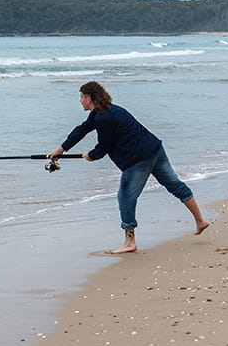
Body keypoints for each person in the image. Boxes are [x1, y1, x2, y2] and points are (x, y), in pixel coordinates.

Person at [50, 81, 210, 254]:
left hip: (139, 159)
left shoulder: (104, 117)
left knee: (125, 197)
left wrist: (92, 155)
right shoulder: (106, 111)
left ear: (89, 98)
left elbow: (104, 146)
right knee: (174, 185)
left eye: (81, 97)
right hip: (155, 149)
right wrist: (61, 149)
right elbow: (82, 129)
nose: (80, 101)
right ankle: (200, 221)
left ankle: (130, 242)